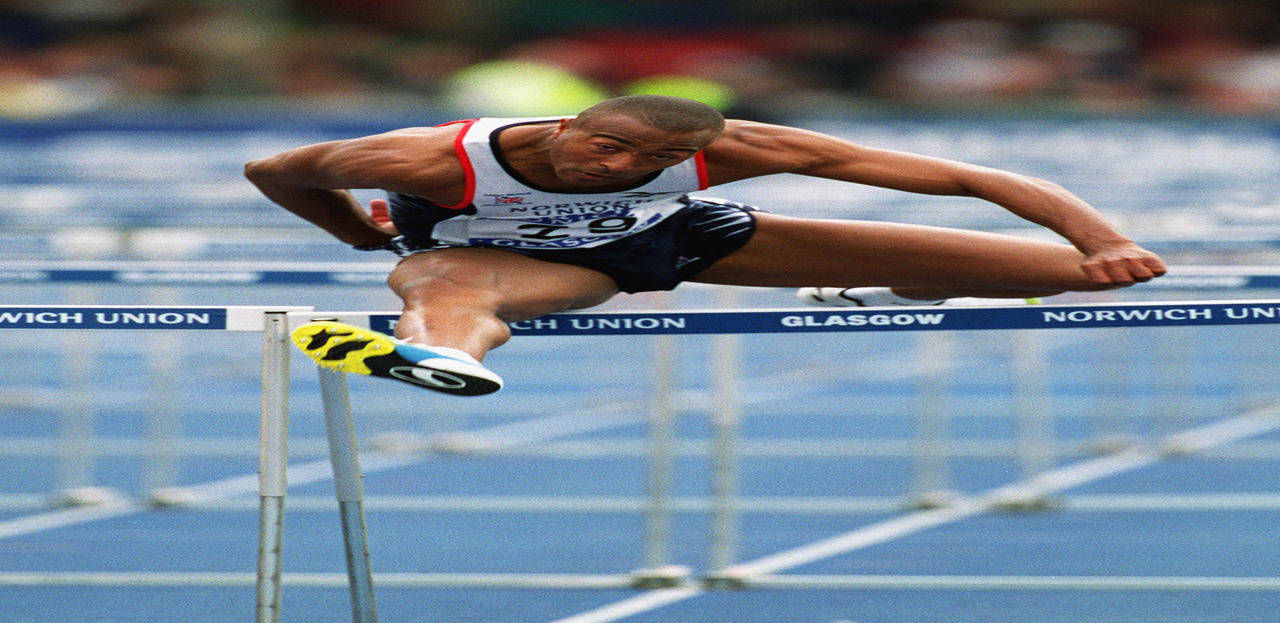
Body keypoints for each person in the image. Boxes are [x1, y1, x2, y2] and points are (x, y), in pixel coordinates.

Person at [244, 94, 1166, 396]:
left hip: (684, 239)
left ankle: (881, 285)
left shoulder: (731, 152)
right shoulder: (428, 159)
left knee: (1070, 280)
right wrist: (354, 232)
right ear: (566, 128)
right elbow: (274, 169)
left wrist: (1107, 237)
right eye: (607, 147)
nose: (621, 164)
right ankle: (438, 359)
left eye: (656, 156)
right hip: (508, 255)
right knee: (447, 284)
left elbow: (974, 177)